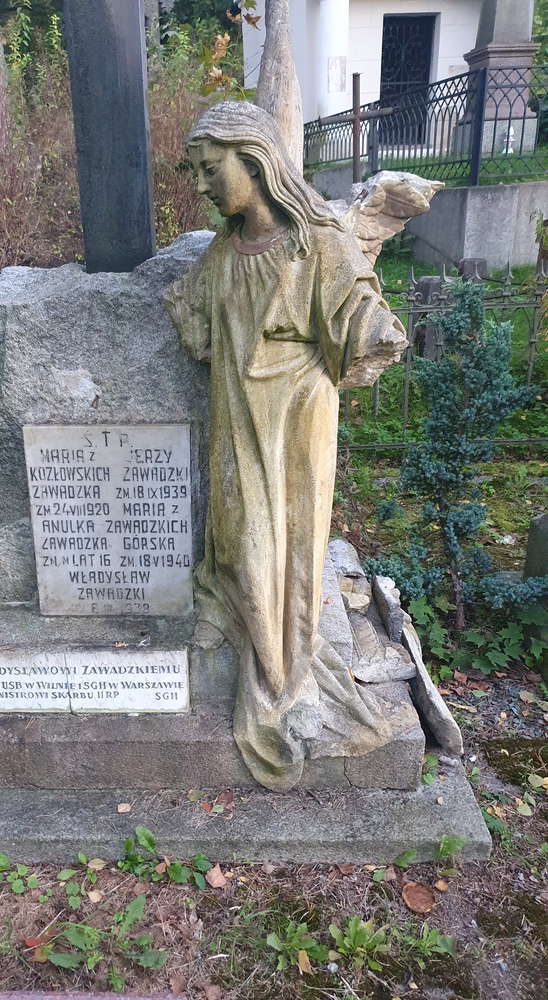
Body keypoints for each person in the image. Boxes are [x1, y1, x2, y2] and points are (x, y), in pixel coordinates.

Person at [163, 101, 407, 790]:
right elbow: (202, 331)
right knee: (239, 543)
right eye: (198, 173)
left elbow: (355, 305)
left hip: (296, 424)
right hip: (237, 421)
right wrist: (184, 314)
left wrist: (374, 331)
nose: (204, 185)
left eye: (212, 170)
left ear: (255, 159)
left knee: (287, 554)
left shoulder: (316, 241)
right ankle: (260, 655)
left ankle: (283, 673)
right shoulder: (220, 253)